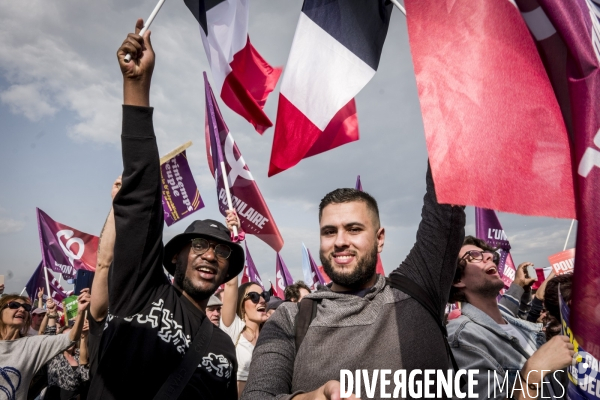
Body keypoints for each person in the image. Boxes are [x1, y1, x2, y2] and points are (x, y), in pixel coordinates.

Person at [87, 20, 241, 400]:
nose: (210, 255)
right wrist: (137, 87)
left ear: (226, 273)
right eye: (200, 245)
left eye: (222, 251)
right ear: (174, 257)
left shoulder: (224, 349)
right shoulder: (142, 289)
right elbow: (141, 197)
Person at [242, 163, 466, 399]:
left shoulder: (418, 288)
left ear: (379, 239)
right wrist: (310, 398)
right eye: (329, 232)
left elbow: (446, 195)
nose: (340, 241)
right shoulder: (290, 319)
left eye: (354, 229)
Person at [446, 236, 574, 399]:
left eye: (487, 253)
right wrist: (535, 371)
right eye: (474, 255)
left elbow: (508, 306)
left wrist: (521, 286)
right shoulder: (462, 337)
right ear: (457, 280)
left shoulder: (512, 322)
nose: (489, 256)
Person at [0, 292, 89, 400]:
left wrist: (80, 311)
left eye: (26, 307)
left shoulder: (31, 345)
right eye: (14, 305)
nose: (22, 309)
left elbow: (71, 338)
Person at [221, 262, 269, 397]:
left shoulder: (270, 338)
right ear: (242, 305)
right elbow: (230, 285)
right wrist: (233, 245)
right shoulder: (233, 330)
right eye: (254, 296)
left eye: (265, 295)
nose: (262, 300)